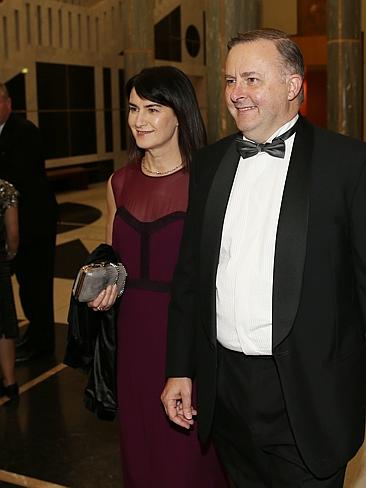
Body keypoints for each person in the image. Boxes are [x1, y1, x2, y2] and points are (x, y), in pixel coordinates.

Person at [161, 28, 366, 488]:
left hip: (307, 397)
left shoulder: (348, 165)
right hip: (225, 391)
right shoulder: (211, 163)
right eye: (230, 81)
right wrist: (179, 368)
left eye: (251, 79)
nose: (237, 94)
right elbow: (190, 278)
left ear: (292, 86)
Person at [88, 66, 227, 487]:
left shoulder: (209, 181)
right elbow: (115, 256)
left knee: (187, 459)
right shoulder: (119, 182)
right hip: (132, 336)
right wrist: (104, 284)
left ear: (180, 114)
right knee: (140, 446)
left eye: (152, 108)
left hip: (187, 336)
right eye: (132, 108)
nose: (138, 120)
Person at [0, 83, 58, 362]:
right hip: (15, 226)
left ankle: (43, 343)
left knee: (38, 286)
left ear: (8, 103)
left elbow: (20, 179)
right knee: (25, 286)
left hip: (35, 225)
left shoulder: (24, 132)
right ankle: (33, 335)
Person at [0, 179, 19, 399]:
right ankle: (10, 382)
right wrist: (10, 253)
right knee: (5, 326)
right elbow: (13, 235)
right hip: (0, 264)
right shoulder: (5, 189)